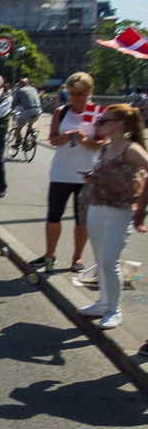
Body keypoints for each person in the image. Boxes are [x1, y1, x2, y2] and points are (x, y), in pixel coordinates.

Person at [77, 105, 148, 329]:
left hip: (120, 212)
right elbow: (102, 173)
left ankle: (114, 312)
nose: (99, 123)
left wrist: (141, 209)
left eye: (104, 120)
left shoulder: (131, 150)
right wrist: (92, 178)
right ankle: (102, 303)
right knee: (101, 261)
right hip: (97, 206)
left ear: (119, 124)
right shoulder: (106, 147)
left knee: (109, 262)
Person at [29, 72, 103, 273]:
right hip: (61, 173)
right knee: (54, 215)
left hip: (86, 175)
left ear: (89, 91)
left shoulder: (97, 112)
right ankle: (49, 254)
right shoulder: (61, 112)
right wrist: (66, 137)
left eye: (80, 93)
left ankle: (77, 258)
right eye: (72, 93)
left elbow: (102, 143)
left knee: (82, 219)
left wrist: (84, 141)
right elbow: (52, 139)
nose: (75, 97)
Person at [11, 78, 42, 148]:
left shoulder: (19, 91)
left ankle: (17, 143)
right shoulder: (33, 89)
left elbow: (16, 104)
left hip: (28, 110)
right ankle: (33, 132)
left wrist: (11, 110)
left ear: (20, 84)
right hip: (38, 110)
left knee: (17, 128)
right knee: (31, 123)